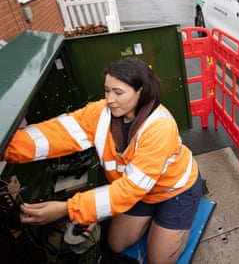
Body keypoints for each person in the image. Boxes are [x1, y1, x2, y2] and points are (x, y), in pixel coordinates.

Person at [3, 57, 202, 263]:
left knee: (159, 261)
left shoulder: (160, 126)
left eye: (118, 92)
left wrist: (67, 209)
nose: (109, 99)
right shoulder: (99, 113)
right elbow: (54, 134)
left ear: (141, 91)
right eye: (107, 90)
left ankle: (182, 212)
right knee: (116, 244)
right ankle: (154, 218)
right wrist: (5, 147)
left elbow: (129, 190)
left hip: (173, 191)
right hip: (141, 194)